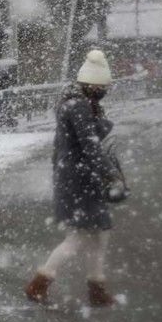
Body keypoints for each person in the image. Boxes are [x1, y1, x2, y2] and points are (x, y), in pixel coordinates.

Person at [25, 49, 119, 307]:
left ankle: (96, 288)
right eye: (102, 87)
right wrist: (109, 173)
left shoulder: (80, 104)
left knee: (99, 235)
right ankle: (39, 283)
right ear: (91, 85)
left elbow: (85, 143)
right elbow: (89, 145)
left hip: (79, 179)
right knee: (77, 238)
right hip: (78, 181)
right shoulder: (78, 107)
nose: (105, 91)